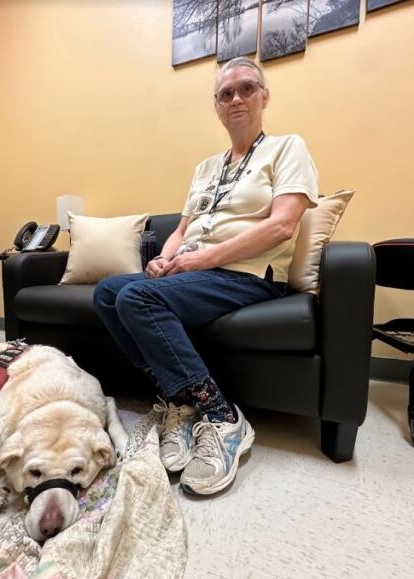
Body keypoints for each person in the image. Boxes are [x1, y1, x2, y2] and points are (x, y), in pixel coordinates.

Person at [93, 57, 319, 495]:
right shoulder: (206, 168)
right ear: (216, 106)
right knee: (108, 293)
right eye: (225, 93)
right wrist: (161, 260)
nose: (236, 98)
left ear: (264, 96)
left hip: (247, 275)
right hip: (193, 273)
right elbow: (180, 231)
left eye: (247, 88)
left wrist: (202, 259)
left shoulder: (288, 147)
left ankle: (222, 417)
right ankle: (180, 404)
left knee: (138, 299)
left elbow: (282, 225)